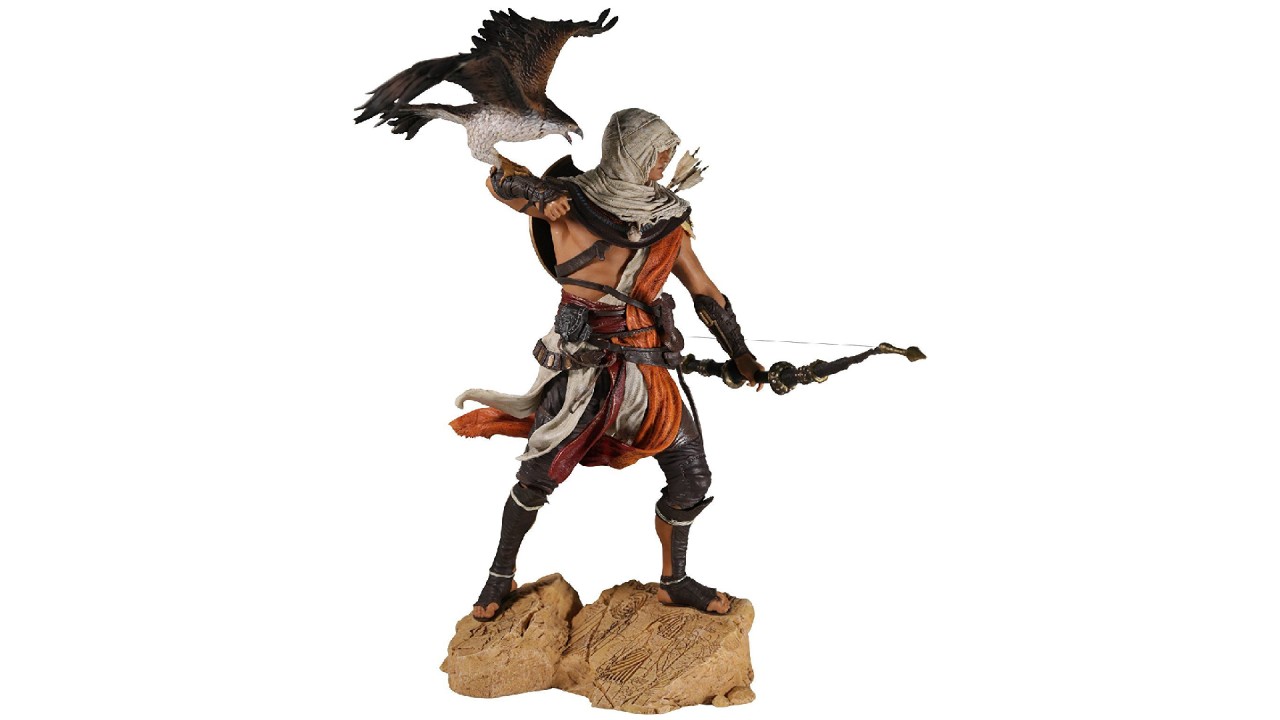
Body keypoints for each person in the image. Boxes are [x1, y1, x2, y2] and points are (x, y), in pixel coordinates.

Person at [450, 108, 764, 621]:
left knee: (692, 475)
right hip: (582, 367)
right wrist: (538, 194)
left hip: (645, 373)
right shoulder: (567, 201)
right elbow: (498, 180)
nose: (663, 166)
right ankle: (499, 576)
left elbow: (704, 291)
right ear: (633, 153)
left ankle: (675, 582)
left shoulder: (666, 220)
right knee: (536, 477)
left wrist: (742, 354)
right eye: (657, 155)